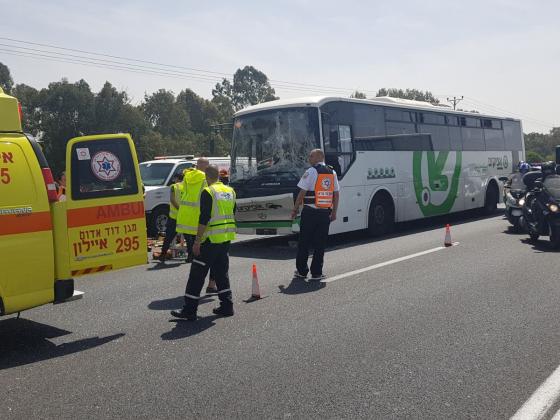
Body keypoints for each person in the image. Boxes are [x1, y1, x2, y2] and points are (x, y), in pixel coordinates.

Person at [171, 165, 237, 321]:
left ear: (207, 177)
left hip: (210, 240)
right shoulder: (230, 191)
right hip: (225, 238)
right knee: (221, 273)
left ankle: (189, 310)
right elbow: (232, 212)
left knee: (196, 275)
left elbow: (204, 218)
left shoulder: (208, 192)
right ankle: (227, 306)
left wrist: (197, 241)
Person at [290, 149, 340, 281]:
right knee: (320, 244)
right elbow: (336, 194)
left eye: (311, 156)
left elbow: (302, 193)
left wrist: (295, 209)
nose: (309, 158)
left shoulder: (311, 171)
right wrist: (334, 212)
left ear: (319, 156)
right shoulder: (332, 172)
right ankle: (317, 273)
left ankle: (302, 271)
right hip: (325, 213)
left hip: (310, 213)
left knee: (304, 242)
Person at [176, 157, 217, 293]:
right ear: (206, 168)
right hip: (202, 221)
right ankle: (211, 284)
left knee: (198, 255)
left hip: (187, 219)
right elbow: (209, 197)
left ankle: (198, 285)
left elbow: (183, 193)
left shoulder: (187, 176)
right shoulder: (206, 179)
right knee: (213, 255)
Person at [158, 172, 184, 262]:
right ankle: (190, 257)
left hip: (175, 216)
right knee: (188, 237)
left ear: (177, 178)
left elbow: (172, 200)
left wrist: (179, 209)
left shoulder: (174, 186)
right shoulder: (187, 186)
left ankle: (163, 254)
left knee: (169, 236)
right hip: (185, 216)